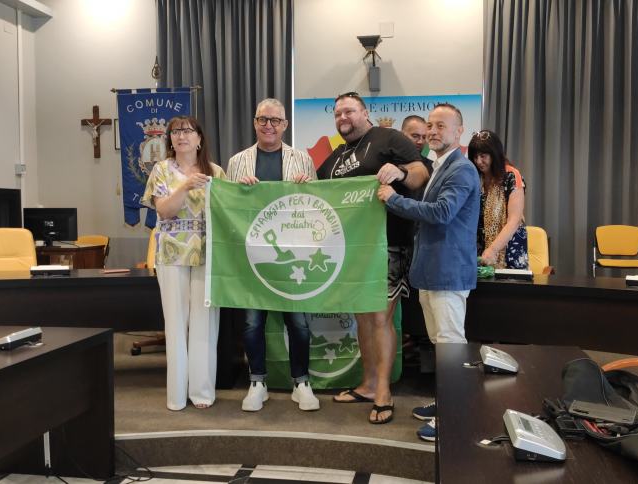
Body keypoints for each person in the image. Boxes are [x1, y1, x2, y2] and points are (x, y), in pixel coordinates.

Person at [317, 92, 430, 425]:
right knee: (364, 319)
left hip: (388, 245)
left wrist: (399, 173)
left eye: (349, 111)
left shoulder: (388, 138)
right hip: (351, 251)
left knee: (380, 319)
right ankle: (367, 384)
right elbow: (317, 190)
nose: (342, 118)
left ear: (365, 113)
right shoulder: (337, 156)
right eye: (337, 113)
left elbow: (419, 172)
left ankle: (383, 392)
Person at [377, 103, 480, 441]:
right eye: (430, 126)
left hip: (448, 274)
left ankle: (455, 415)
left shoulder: (462, 170)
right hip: (433, 272)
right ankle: (445, 402)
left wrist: (393, 200)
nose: (434, 132)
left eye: (441, 126)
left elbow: (441, 212)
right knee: (441, 344)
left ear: (459, 131)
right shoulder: (439, 166)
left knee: (452, 347)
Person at [226, 98, 320, 412]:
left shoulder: (302, 159)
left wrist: (307, 188)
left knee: (299, 323)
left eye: (275, 120)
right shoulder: (238, 161)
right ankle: (257, 382)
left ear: (285, 125)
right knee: (253, 323)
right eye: (263, 119)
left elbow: (317, 206)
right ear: (254, 122)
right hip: (253, 254)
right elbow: (227, 207)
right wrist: (240, 190)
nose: (269, 125)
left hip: (293, 252)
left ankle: (301, 382)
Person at [142, 115, 225, 411]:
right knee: (176, 323)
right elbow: (164, 211)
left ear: (200, 138)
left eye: (188, 131)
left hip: (207, 254)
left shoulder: (215, 171)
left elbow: (228, 210)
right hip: (171, 254)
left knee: (205, 324)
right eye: (176, 132)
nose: (182, 136)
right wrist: (185, 187)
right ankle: (176, 394)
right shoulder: (161, 170)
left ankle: (201, 391)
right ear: (170, 140)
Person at [469, 130, 528, 269]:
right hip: (481, 249)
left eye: (483, 156)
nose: (478, 161)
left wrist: (493, 249)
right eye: (475, 157)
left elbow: (515, 220)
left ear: (495, 154)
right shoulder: (476, 178)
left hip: (508, 249)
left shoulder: (511, 176)